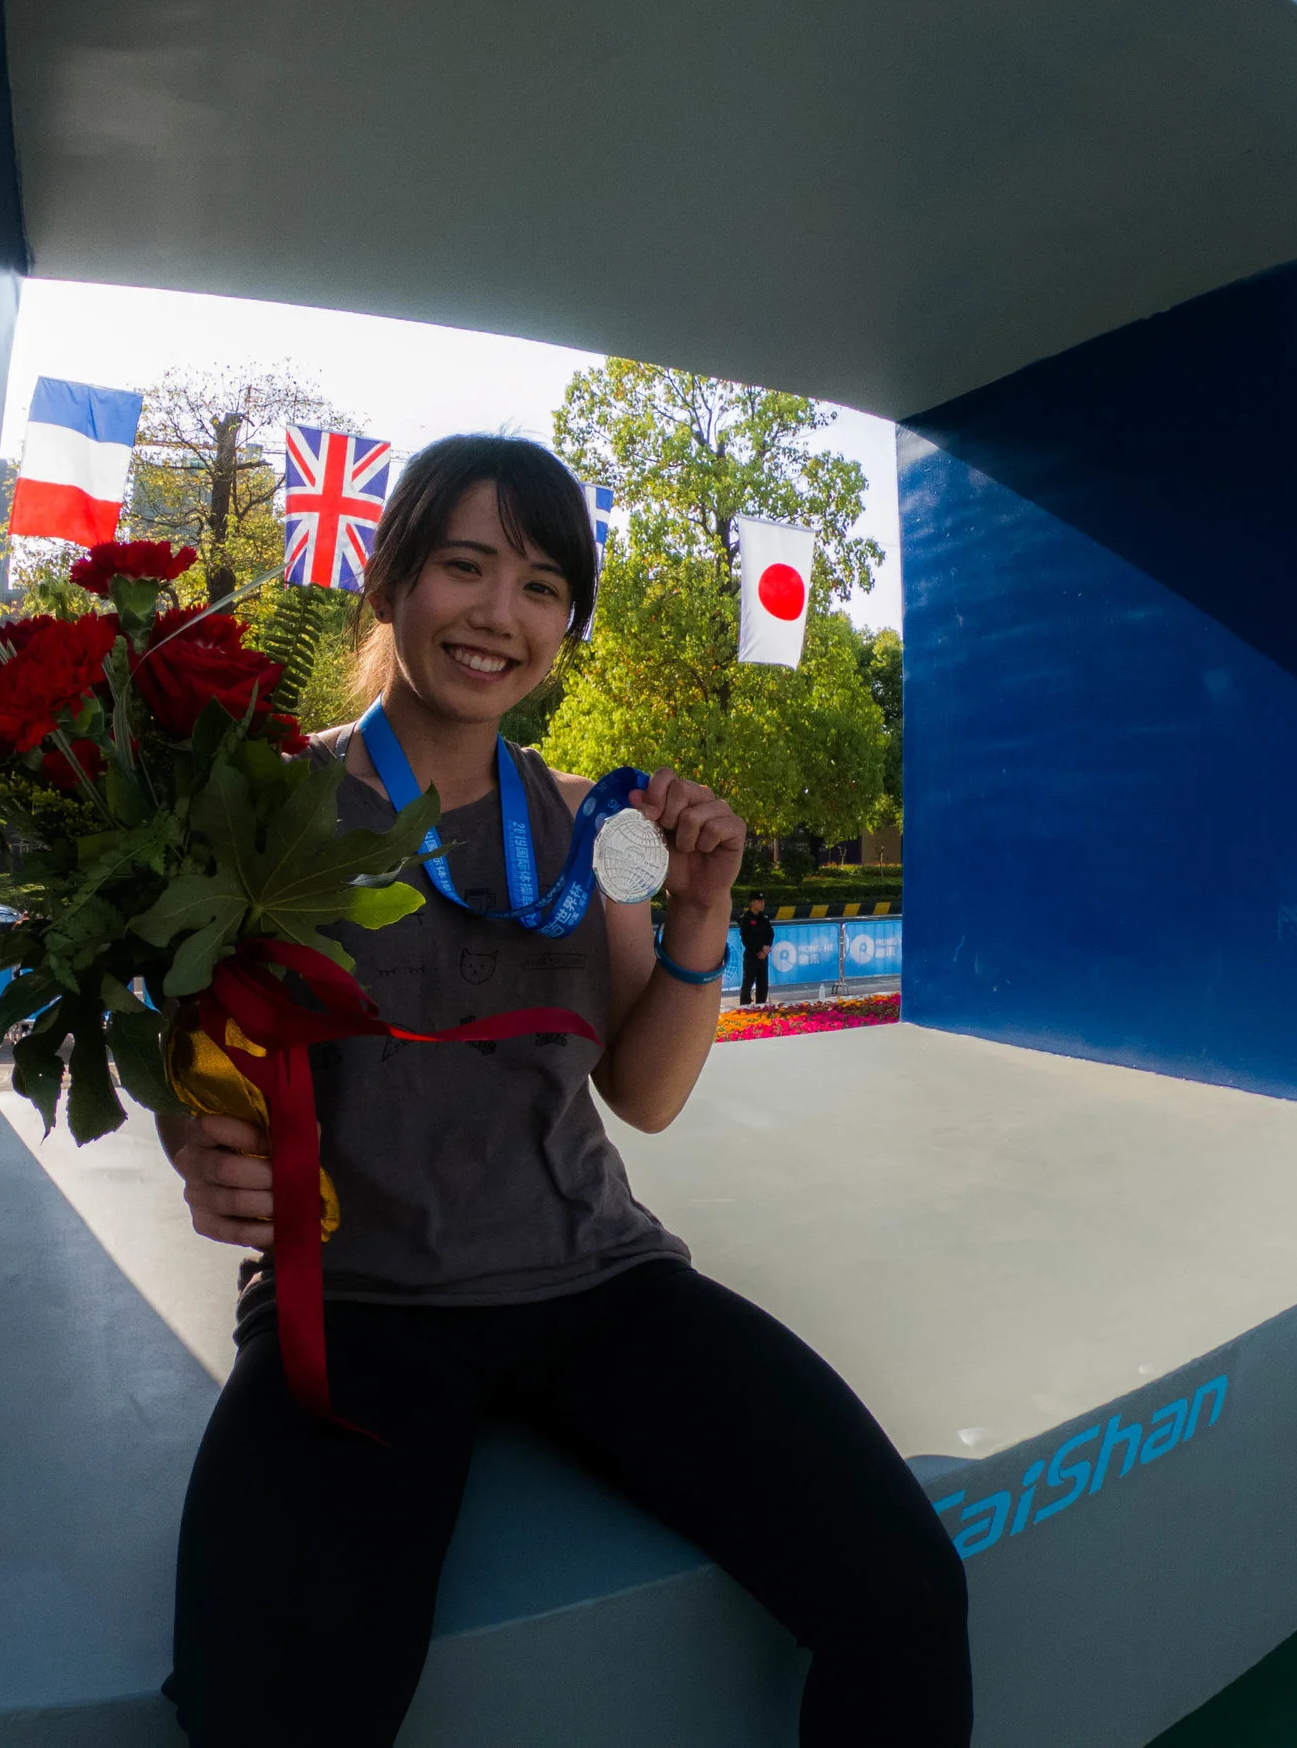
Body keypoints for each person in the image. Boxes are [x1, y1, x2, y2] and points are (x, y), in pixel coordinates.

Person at [157, 436, 970, 1746]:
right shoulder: (270, 803)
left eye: (541, 585)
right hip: (357, 1302)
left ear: (567, 626)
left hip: (597, 1281)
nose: (500, 613)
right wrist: (194, 1140)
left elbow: (642, 1092)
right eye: (464, 566)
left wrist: (700, 917)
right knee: (265, 1716)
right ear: (389, 581)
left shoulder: (603, 825)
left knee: (905, 1594)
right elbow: (196, 1052)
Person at [739, 891, 777, 1007]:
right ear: (752, 902)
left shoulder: (764, 917)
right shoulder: (746, 918)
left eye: (763, 901)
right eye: (760, 901)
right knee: (748, 984)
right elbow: (746, 939)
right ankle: (744, 1008)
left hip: (763, 956)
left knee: (763, 985)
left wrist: (766, 949)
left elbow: (770, 934)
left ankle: (761, 1007)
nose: (762, 904)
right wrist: (760, 948)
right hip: (752, 956)